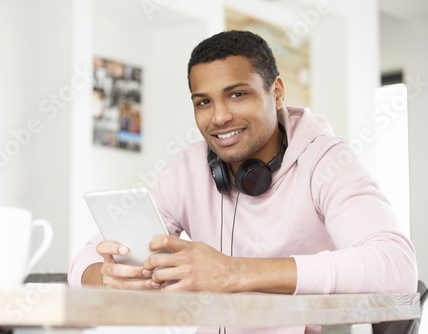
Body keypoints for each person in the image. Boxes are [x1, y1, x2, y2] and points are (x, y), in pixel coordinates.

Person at [68, 30, 418, 333]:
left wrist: (233, 272)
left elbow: (396, 265)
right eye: (204, 102)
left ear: (277, 92)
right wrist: (105, 276)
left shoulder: (327, 159)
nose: (219, 117)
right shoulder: (190, 166)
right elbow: (84, 259)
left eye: (237, 94)